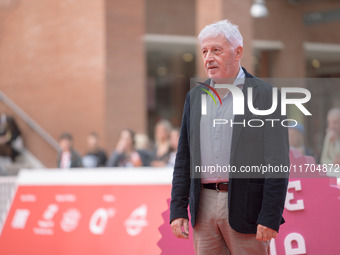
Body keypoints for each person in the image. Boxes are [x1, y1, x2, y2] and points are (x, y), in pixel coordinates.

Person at [170, 20, 289, 255]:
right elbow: (184, 158)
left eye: (216, 50)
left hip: (248, 209)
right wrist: (178, 209)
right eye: (204, 51)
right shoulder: (194, 97)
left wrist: (270, 215)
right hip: (203, 206)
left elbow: (277, 162)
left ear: (238, 52)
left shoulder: (266, 96)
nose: (208, 58)